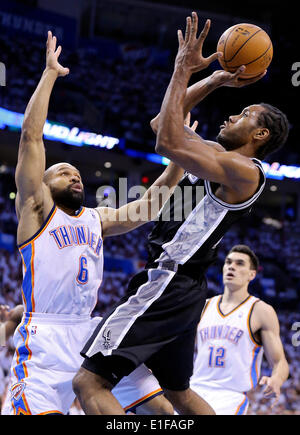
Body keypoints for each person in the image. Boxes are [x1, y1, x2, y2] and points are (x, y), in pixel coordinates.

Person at [73, 13, 289, 415]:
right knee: (178, 393)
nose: (230, 115)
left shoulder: (245, 173)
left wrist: (182, 68)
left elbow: (166, 137)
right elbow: (162, 122)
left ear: (260, 136)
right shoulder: (214, 154)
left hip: (168, 281)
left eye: (243, 115)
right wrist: (213, 80)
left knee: (89, 381)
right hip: (184, 288)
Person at [2, 30, 185, 416]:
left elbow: (150, 206)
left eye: (76, 173)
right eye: (63, 172)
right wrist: (50, 73)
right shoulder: (36, 211)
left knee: (162, 412)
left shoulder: (95, 219)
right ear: (44, 185)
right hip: (45, 338)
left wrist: (179, 159)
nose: (74, 176)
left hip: (90, 331)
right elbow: (31, 139)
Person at [190, 245, 289, 415]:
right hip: (193, 389)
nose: (231, 267)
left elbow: (279, 361)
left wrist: (277, 379)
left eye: (239, 263)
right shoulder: (204, 306)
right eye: (228, 262)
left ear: (252, 274)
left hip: (229, 397)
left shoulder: (261, 311)